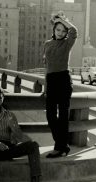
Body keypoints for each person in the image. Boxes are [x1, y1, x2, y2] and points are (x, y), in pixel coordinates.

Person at [42, 11, 78, 158]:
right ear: (53, 30)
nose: (60, 33)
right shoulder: (47, 44)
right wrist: (45, 86)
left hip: (63, 79)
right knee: (50, 115)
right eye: (58, 30)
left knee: (63, 116)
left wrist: (63, 20)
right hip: (51, 81)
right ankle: (63, 145)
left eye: (63, 31)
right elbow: (47, 66)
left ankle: (59, 147)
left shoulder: (67, 43)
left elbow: (74, 31)